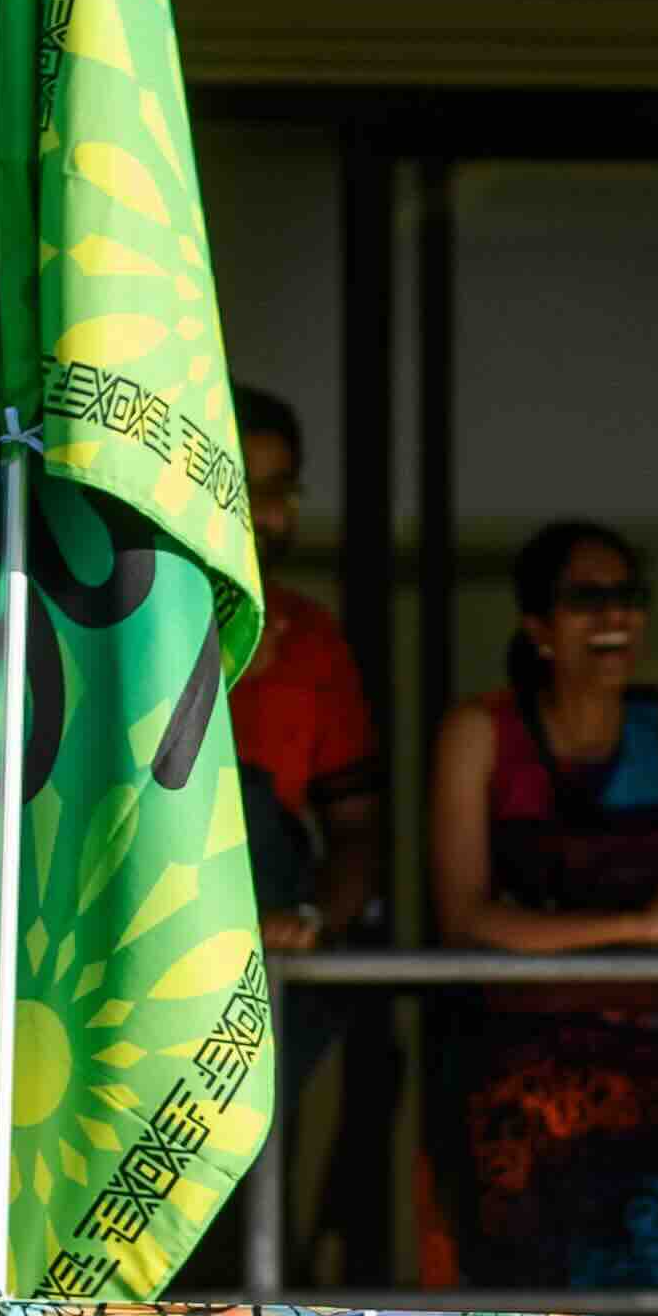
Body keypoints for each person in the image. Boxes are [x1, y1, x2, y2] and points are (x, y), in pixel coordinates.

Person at [428, 519, 658, 1293]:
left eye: (628, 597)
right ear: (538, 626)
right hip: (511, 1076)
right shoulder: (481, 733)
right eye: (586, 599)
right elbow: (467, 919)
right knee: (513, 1313)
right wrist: (637, 926)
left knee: (650, 1310)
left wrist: (541, 933)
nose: (615, 618)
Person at [229, 389, 381, 962]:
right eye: (246, 488)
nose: (267, 515)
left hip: (268, 970)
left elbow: (355, 832)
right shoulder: (124, 623)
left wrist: (312, 917)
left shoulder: (312, 641)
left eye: (281, 491)